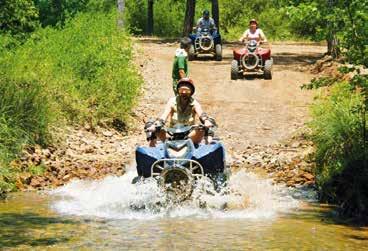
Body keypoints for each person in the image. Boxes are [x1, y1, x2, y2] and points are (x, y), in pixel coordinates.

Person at [146, 78, 215, 147]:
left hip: (189, 135)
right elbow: (164, 115)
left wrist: (206, 121)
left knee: (208, 124)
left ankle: (207, 146)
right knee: (150, 125)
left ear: (191, 92)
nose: (184, 93)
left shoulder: (195, 103)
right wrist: (156, 125)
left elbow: (201, 114)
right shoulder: (172, 101)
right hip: (172, 134)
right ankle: (152, 148)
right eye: (181, 90)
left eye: (187, 90)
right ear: (178, 91)